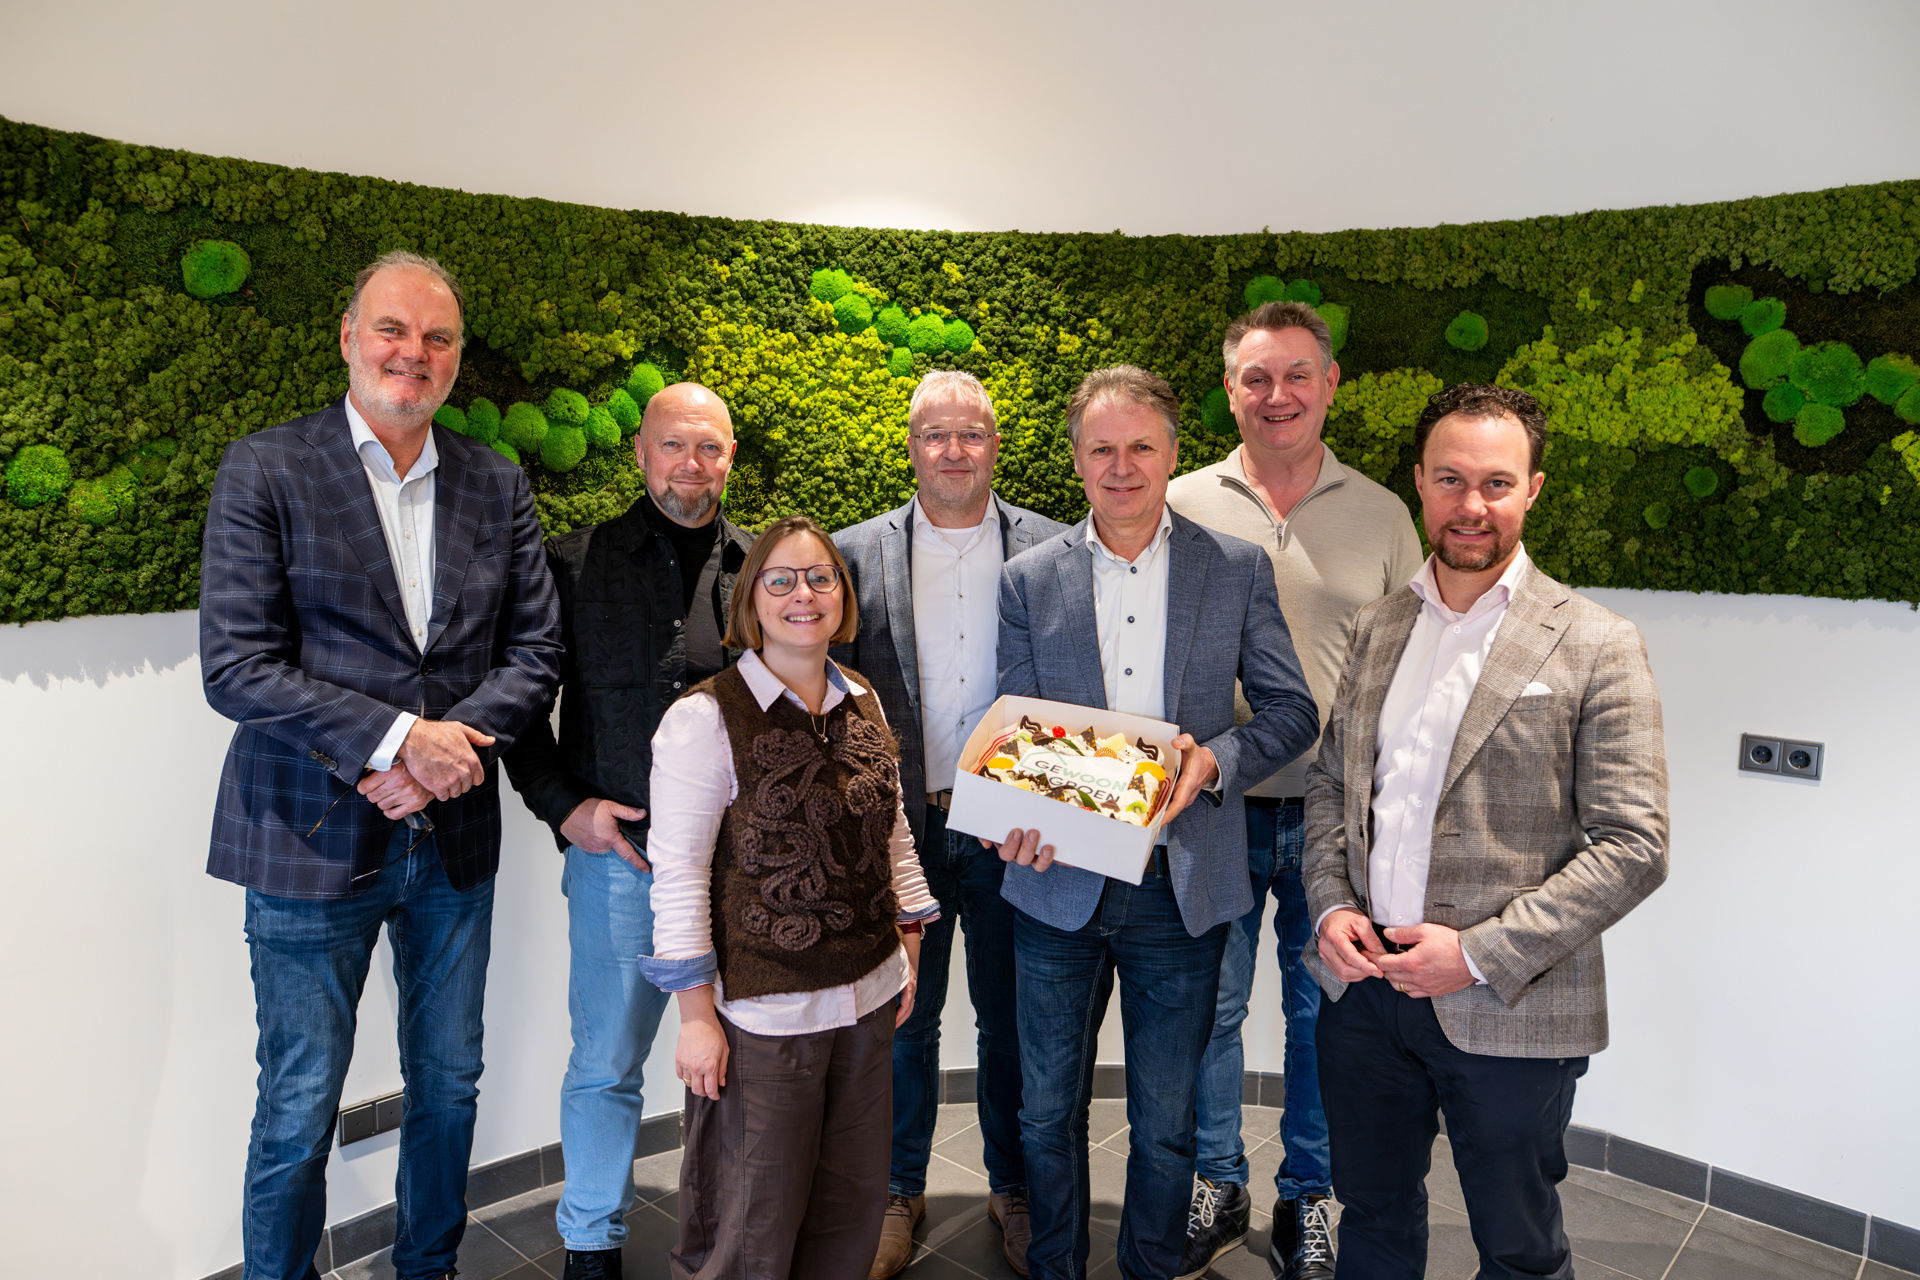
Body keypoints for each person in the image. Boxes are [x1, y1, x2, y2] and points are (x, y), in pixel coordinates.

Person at [200, 250, 563, 1280]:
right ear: (350, 337)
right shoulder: (266, 468)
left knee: (449, 1081)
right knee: (300, 1098)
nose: (414, 353)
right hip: (306, 836)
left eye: (437, 338)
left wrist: (442, 756)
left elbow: (536, 650)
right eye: (393, 330)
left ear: (455, 358)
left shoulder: (495, 480)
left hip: (452, 840)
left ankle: (429, 1266)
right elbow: (236, 666)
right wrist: (404, 739)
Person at [1303, 383, 1670, 1280]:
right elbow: (1331, 786)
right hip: (1365, 993)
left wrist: (1475, 954)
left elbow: (1635, 845)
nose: (1471, 505)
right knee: (1373, 1217)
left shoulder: (1598, 641)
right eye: (1450, 479)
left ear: (1532, 490)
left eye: (1496, 483)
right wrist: (1330, 905)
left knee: (1518, 1248)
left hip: (1512, 1002)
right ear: (1419, 483)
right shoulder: (1378, 627)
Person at [991, 365, 1321, 1280]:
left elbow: (1293, 711)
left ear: (1173, 456)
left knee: (1169, 1124)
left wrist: (1215, 761)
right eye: (1102, 448)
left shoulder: (1235, 568)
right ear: (1077, 460)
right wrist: (1011, 810)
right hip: (1055, 884)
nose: (1122, 466)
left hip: (1181, 887)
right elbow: (1012, 726)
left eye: (1141, 446)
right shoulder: (1028, 580)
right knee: (1044, 1115)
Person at [1165, 301, 1423, 1279]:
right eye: (1257, 377)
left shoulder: (1382, 513)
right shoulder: (1179, 500)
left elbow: (1414, 664)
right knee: (1211, 1008)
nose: (1278, 395)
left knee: (1323, 1017)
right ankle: (1217, 1179)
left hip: (1334, 813)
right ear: (1230, 389)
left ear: (1330, 383)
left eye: (1296, 375)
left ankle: (1307, 1195)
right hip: (1209, 806)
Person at [638, 515, 941, 1279]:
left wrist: (909, 943)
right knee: (752, 1225)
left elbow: (893, 832)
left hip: (869, 1000)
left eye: (820, 577)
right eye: (780, 580)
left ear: (842, 594)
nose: (802, 594)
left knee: (849, 1209)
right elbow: (678, 878)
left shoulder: (862, 696)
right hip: (767, 1016)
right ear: (751, 600)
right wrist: (696, 1018)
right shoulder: (704, 718)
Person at [503, 384, 752, 1279]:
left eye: (710, 447)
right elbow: (518, 707)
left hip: (743, 868)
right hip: (623, 865)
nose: (692, 464)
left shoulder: (763, 568)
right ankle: (590, 1241)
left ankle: (731, 1234)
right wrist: (564, 806)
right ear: (642, 453)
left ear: (730, 458)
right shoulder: (572, 564)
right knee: (607, 1060)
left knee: (743, 1060)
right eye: (674, 446)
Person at [833, 370, 1067, 1278]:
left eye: (971, 433)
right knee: (905, 1017)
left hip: (1012, 831)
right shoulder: (855, 554)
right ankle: (896, 1190)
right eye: (936, 434)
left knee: (1011, 1021)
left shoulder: (1054, 548)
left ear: (995, 445)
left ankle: (1014, 1188)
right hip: (904, 831)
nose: (954, 450)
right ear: (911, 447)